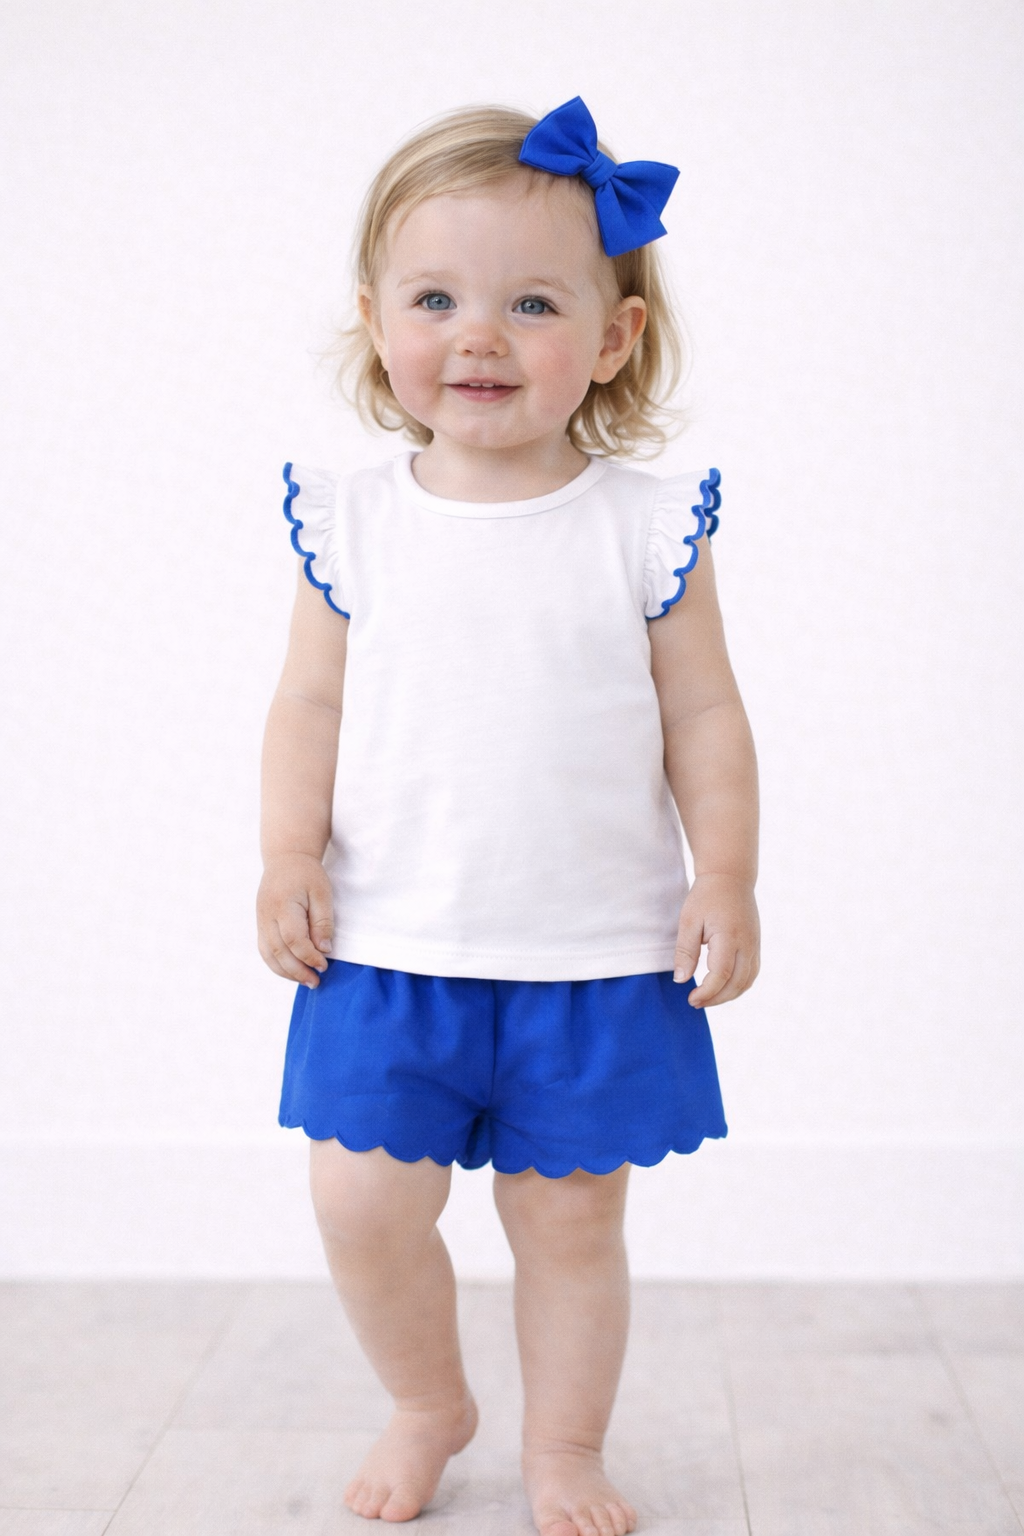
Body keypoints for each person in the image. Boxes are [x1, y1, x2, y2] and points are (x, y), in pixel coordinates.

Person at [257, 96, 760, 1536]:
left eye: (532, 302)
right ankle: (430, 1401)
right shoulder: (350, 516)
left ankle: (565, 1448)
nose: (478, 335)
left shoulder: (642, 525)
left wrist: (724, 874)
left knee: (572, 1222)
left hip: (594, 952)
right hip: (388, 943)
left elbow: (706, 716)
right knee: (360, 1200)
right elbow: (307, 707)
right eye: (436, 299)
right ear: (376, 322)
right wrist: (288, 852)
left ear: (612, 341)